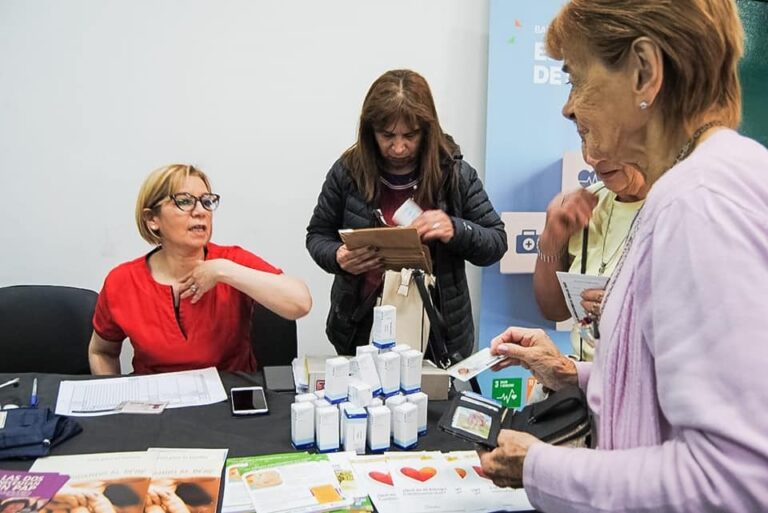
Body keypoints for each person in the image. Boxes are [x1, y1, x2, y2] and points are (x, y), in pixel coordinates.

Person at [479, 1, 768, 512]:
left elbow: (733, 480)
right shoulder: (702, 183)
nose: (568, 108)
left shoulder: (698, 201)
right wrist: (572, 373)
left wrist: (539, 466)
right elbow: (671, 396)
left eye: (575, 78)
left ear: (643, 72)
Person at [306, 69, 507, 357]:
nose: (398, 148)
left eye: (410, 136)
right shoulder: (348, 171)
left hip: (437, 335)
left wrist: (455, 228)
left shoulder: (454, 171)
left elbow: (497, 242)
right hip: (361, 327)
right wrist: (338, 257)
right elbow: (317, 235)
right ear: (369, 130)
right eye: (387, 135)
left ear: (427, 130)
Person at [88, 164, 312, 375]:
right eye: (184, 201)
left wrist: (223, 271)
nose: (201, 211)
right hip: (157, 408)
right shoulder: (122, 281)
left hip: (225, 403)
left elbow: (300, 302)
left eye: (207, 201)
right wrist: (113, 400)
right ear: (152, 219)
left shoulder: (230, 260)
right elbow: (102, 351)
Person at [533, 162, 647, 360]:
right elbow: (555, 311)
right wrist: (551, 240)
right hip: (582, 375)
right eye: (584, 135)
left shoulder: (681, 205)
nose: (591, 157)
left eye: (605, 136)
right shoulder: (583, 204)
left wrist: (626, 312)